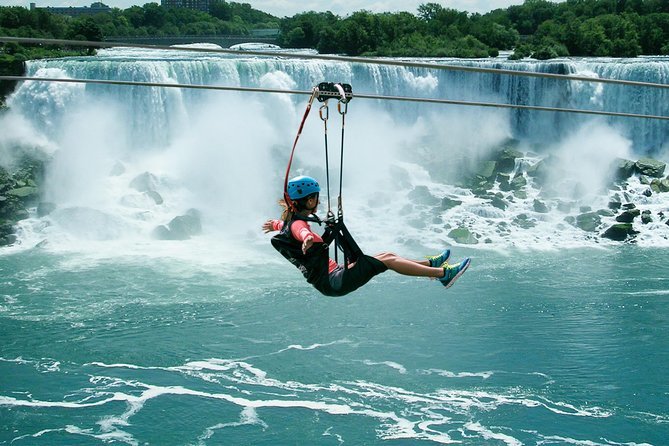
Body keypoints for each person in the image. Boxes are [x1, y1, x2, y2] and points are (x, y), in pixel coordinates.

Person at [263, 175, 470, 297]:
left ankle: (431, 264)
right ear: (310, 201)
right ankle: (443, 275)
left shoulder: (287, 225)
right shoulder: (299, 226)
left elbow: (287, 227)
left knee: (386, 254)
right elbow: (301, 231)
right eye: (316, 197)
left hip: (333, 277)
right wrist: (307, 237)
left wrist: (274, 224)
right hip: (335, 281)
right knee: (387, 261)